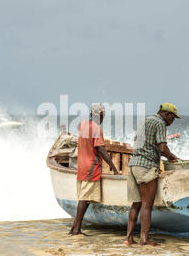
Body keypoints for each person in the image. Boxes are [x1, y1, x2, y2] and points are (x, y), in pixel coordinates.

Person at [124, 103, 181, 246]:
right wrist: (172, 157)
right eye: (172, 118)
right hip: (146, 166)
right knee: (146, 205)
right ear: (166, 114)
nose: (171, 122)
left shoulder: (146, 120)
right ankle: (144, 239)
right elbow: (162, 148)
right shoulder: (160, 122)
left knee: (136, 204)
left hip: (133, 165)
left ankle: (128, 238)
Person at [69, 104, 119, 236]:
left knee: (84, 199)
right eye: (103, 115)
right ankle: (76, 230)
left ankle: (74, 226)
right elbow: (101, 150)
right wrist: (113, 167)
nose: (103, 118)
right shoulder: (97, 129)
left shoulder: (83, 125)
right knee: (84, 199)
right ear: (100, 115)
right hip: (91, 167)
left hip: (81, 166)